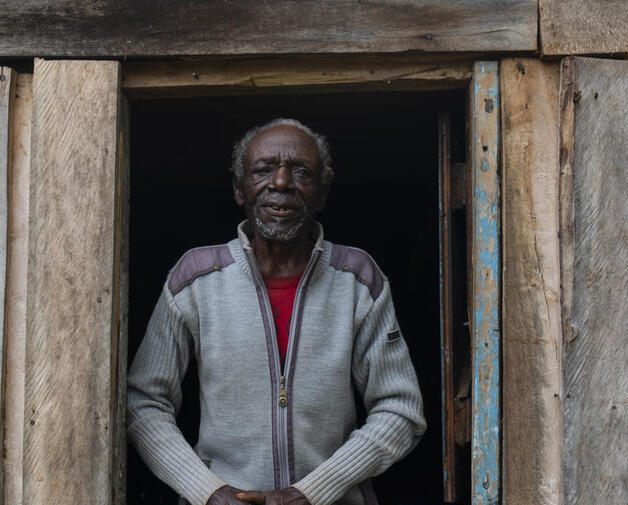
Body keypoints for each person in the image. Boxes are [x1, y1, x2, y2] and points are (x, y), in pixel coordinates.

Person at [127, 118, 426, 505]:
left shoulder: (357, 279)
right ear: (239, 189)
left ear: (321, 193)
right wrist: (207, 492)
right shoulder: (196, 279)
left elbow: (400, 409)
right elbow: (144, 403)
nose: (281, 183)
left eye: (300, 172)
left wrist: (311, 493)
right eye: (263, 170)